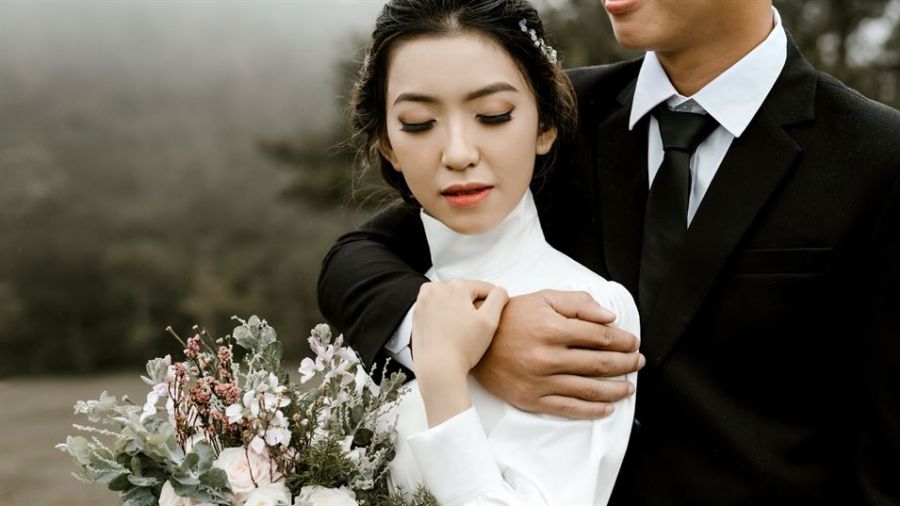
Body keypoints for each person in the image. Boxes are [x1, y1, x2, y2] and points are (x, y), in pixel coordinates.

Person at [320, 0, 900, 504]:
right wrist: (477, 338)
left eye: (492, 117)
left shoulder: (879, 158)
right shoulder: (553, 115)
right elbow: (356, 257)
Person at [341, 1, 639, 504]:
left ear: (545, 126)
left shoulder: (587, 309)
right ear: (388, 144)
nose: (458, 154)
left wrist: (443, 379)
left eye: (492, 116)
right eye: (418, 123)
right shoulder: (391, 307)